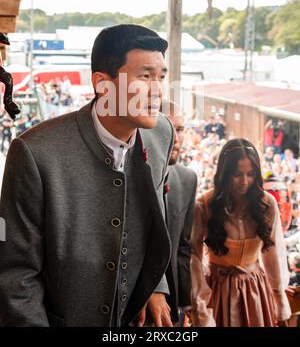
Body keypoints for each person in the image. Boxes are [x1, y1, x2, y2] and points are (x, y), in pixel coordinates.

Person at [0, 24, 174, 327]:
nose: (157, 91)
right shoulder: (35, 153)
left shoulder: (160, 133)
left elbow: (153, 218)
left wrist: (155, 286)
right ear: (102, 84)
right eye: (145, 76)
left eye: (161, 77)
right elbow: (15, 275)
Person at [190, 138, 291, 327]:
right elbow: (193, 258)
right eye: (237, 174)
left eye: (251, 174)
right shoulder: (204, 205)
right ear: (224, 173)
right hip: (217, 289)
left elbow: (272, 253)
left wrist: (279, 299)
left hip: (256, 289)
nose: (245, 181)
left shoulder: (266, 203)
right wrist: (200, 306)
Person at [161, 101, 197, 325]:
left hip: (172, 307)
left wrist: (185, 304)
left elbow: (183, 248)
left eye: (181, 129)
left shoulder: (187, 179)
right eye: (168, 127)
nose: (176, 136)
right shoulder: (125, 176)